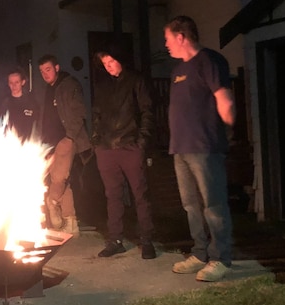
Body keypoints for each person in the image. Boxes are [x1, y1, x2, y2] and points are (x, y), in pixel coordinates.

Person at [164, 16, 236, 282]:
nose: (166, 44)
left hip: (204, 146)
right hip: (180, 147)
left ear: (181, 36)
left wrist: (227, 128)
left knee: (213, 204)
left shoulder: (209, 60)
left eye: (168, 38)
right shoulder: (177, 70)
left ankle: (221, 258)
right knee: (190, 205)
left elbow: (224, 99)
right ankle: (199, 252)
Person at [92, 50, 156, 259]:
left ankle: (147, 240)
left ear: (120, 59)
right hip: (107, 149)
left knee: (140, 195)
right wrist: (97, 141)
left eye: (112, 61)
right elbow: (97, 114)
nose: (109, 66)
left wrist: (141, 142)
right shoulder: (102, 85)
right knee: (113, 196)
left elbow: (147, 110)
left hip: (130, 146)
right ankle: (115, 240)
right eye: (105, 63)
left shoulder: (136, 80)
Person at [37, 55, 91, 235]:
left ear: (57, 67)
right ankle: (71, 221)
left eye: (48, 69)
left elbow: (80, 112)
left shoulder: (69, 85)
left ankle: (51, 202)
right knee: (62, 181)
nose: (45, 74)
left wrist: (69, 137)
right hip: (50, 143)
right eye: (42, 71)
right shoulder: (48, 89)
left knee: (58, 179)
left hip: (66, 140)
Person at [0, 68, 38, 141]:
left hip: (29, 144)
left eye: (17, 82)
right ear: (8, 84)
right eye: (11, 83)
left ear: (23, 82)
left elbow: (37, 124)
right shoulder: (4, 103)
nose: (14, 86)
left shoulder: (31, 102)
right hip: (10, 143)